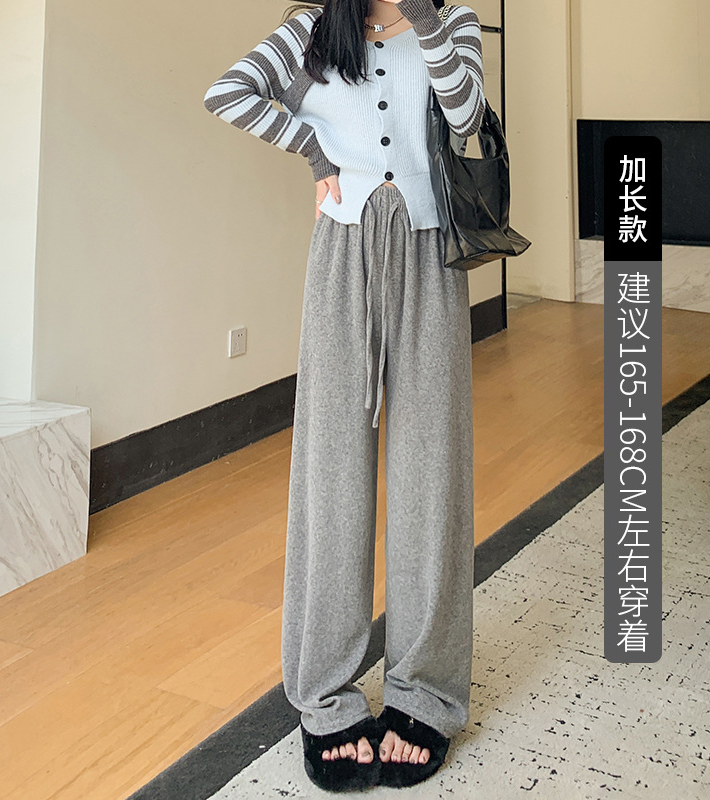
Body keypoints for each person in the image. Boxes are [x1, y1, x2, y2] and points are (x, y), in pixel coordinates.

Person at [203, 0, 484, 791]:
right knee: (330, 473)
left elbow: (466, 116)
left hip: (434, 255)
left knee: (432, 473)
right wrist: (312, 147)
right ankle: (325, 693)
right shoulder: (313, 29)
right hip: (342, 253)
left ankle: (425, 691)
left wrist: (423, 17)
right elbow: (228, 92)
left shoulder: (455, 21)